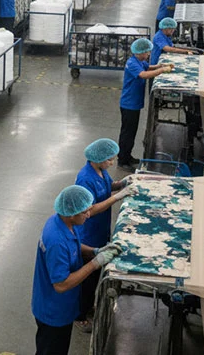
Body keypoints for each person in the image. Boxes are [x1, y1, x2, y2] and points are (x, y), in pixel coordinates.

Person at [32, 185, 121, 355]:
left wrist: (95, 251)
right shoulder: (56, 241)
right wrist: (95, 263)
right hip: (53, 311)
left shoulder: (61, 222)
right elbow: (61, 284)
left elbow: (73, 245)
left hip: (62, 306)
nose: (88, 215)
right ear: (72, 214)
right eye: (85, 212)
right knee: (51, 350)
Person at [73, 139, 137, 331]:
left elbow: (108, 186)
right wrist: (117, 197)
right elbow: (89, 210)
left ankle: (87, 307)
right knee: (86, 279)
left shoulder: (101, 171)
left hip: (100, 230)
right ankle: (79, 316)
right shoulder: (85, 178)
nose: (112, 162)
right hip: (89, 234)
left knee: (95, 277)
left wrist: (122, 184)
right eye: (109, 159)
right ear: (98, 158)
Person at [118, 38, 174, 169]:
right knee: (127, 134)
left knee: (132, 133)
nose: (149, 54)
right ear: (140, 52)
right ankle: (123, 161)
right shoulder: (132, 63)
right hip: (129, 104)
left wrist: (160, 66)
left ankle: (128, 156)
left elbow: (148, 67)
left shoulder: (139, 61)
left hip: (134, 103)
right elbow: (143, 74)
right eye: (147, 52)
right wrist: (161, 71)